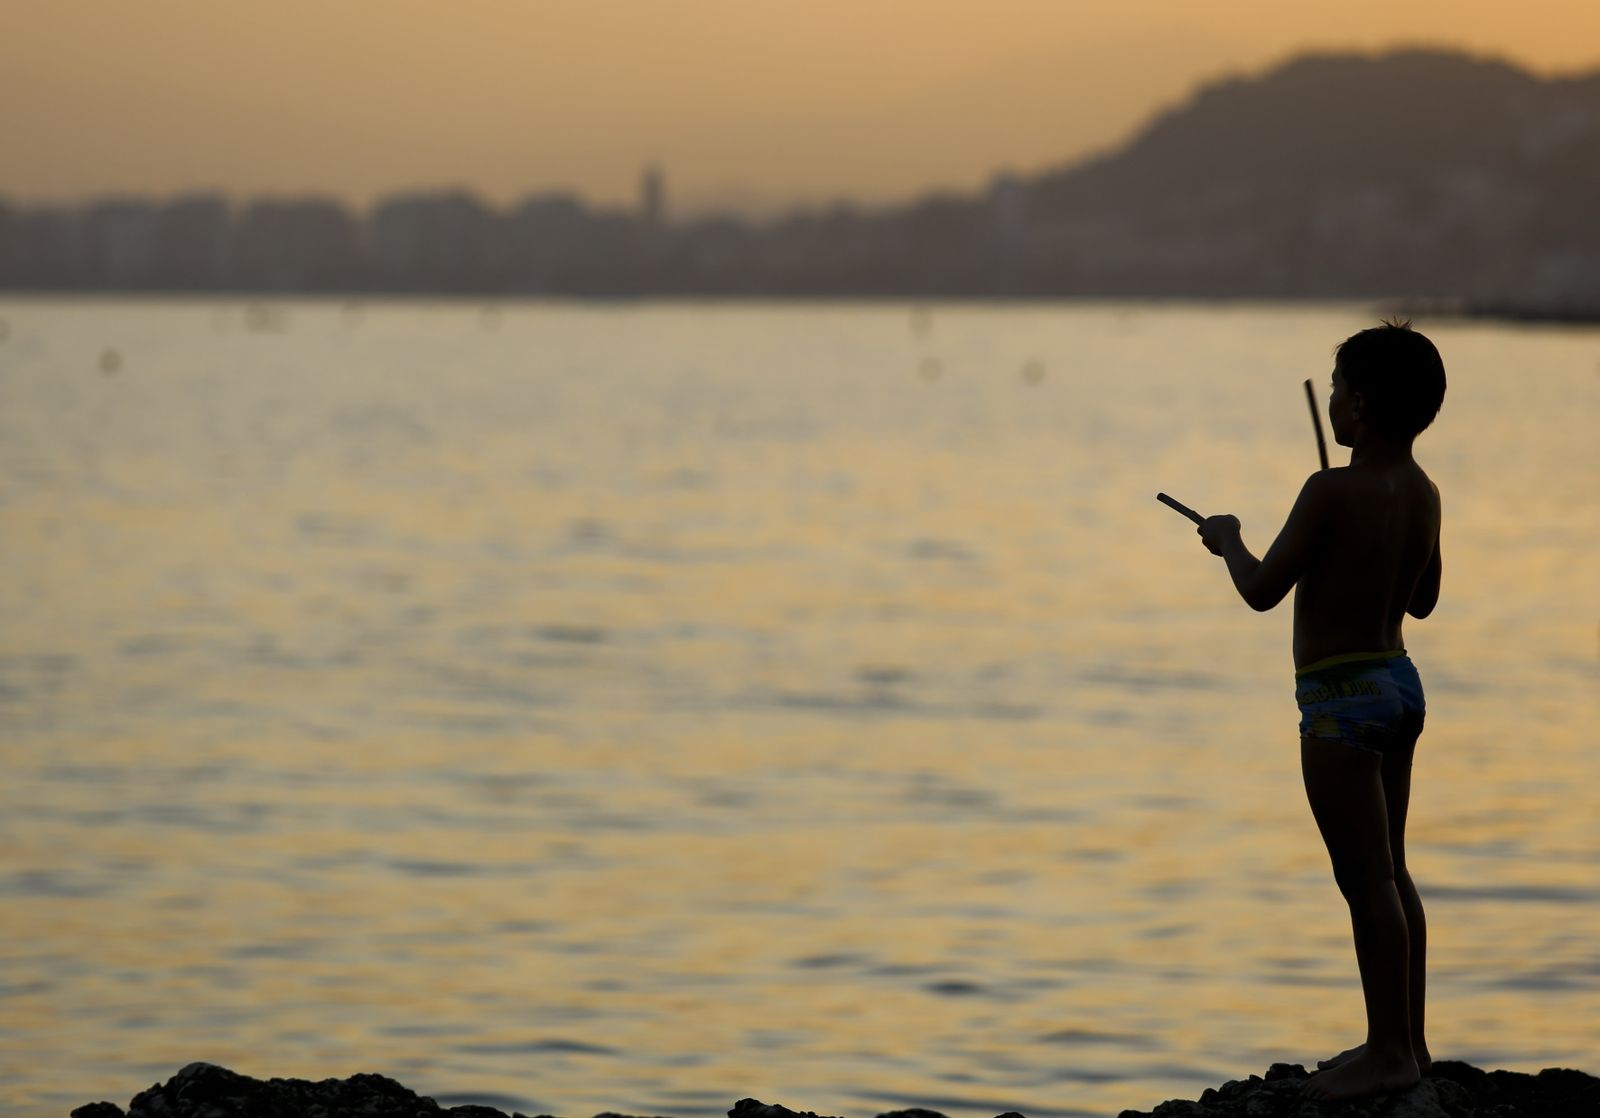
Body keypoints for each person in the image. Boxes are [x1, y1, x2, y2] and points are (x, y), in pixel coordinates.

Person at [1195, 319, 1446, 1102]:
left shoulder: (1328, 490)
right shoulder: (1423, 491)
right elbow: (1425, 600)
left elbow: (1261, 589)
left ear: (1359, 405)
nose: (1332, 400)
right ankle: (1410, 1040)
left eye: (1338, 389)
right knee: (1393, 870)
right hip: (1399, 686)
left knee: (1364, 881)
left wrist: (1228, 539)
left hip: (1341, 699)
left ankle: (1389, 1054)